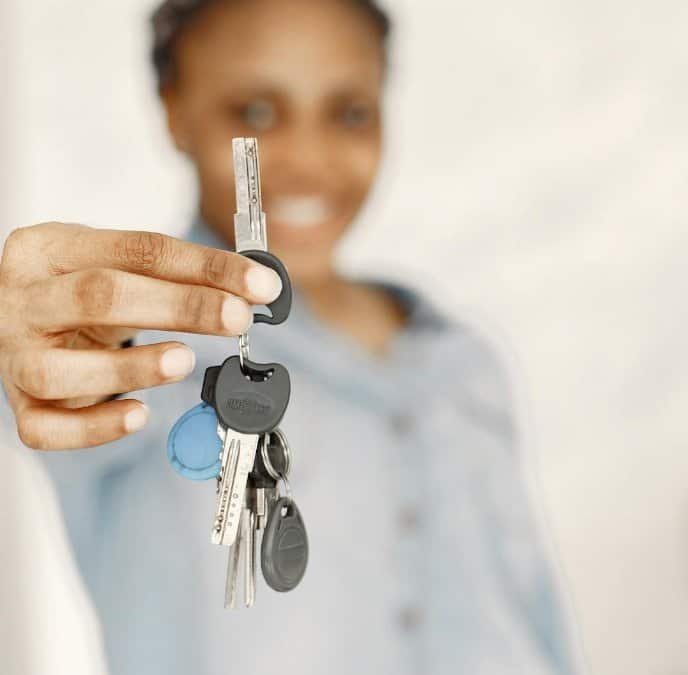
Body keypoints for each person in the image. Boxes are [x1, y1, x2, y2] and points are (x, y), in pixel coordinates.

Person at [0, 1, 576, 673]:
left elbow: (535, 613)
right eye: (255, 112)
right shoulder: (122, 348)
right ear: (173, 107)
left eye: (350, 112)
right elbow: (39, 381)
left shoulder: (463, 360)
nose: (307, 159)